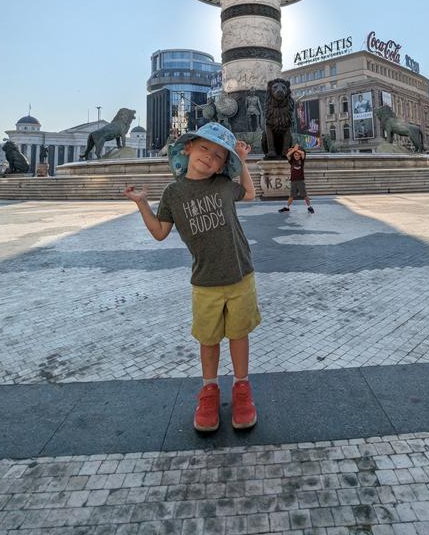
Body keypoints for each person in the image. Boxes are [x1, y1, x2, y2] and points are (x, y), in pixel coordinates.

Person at [124, 122, 260, 433]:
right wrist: (142, 203)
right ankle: (209, 391)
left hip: (240, 274)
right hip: (205, 281)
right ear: (188, 148)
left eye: (218, 156)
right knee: (208, 339)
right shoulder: (173, 193)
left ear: (223, 165)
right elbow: (160, 232)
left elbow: (250, 193)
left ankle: (242, 388)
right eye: (204, 149)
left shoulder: (224, 185)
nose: (209, 158)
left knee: (239, 335)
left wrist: (243, 161)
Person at [279, 142, 314, 214]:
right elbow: (288, 155)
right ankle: (287, 208)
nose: (297, 156)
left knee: (304, 195)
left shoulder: (302, 160)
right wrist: (294, 150)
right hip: (293, 181)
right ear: (294, 156)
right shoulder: (291, 161)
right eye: (295, 155)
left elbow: (303, 153)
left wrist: (296, 150)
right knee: (291, 196)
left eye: (298, 155)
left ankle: (309, 207)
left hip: (301, 180)